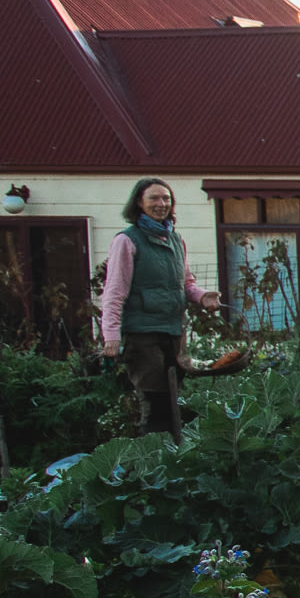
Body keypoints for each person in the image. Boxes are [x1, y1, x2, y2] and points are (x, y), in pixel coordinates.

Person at [99, 179, 219, 439]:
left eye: (166, 198)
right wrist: (111, 335)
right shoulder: (127, 241)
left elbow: (186, 284)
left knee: (174, 400)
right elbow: (114, 291)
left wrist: (202, 297)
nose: (161, 204)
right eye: (154, 198)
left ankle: (175, 456)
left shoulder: (176, 240)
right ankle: (153, 458)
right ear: (139, 202)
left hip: (174, 331)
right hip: (142, 333)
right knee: (156, 403)